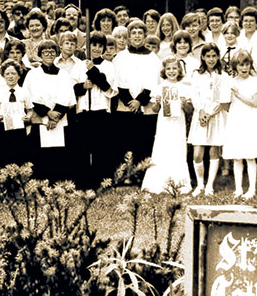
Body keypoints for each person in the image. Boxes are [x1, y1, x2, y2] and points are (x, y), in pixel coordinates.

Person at [23, 40, 76, 182]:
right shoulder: (33, 74)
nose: (49, 54)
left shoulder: (64, 75)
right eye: (45, 52)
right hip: (40, 121)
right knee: (41, 157)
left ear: (56, 54)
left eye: (52, 52)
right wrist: (47, 114)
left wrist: (55, 117)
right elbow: (29, 97)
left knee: (58, 157)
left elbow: (68, 97)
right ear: (40, 54)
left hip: (59, 121)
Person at [141, 57, 193, 194]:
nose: (171, 71)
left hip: (178, 122)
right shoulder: (160, 87)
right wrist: (157, 103)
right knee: (162, 148)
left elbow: (189, 111)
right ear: (164, 70)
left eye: (174, 68)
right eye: (168, 69)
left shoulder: (184, 88)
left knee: (177, 148)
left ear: (179, 70)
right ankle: (158, 182)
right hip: (164, 123)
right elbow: (154, 109)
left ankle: (179, 183)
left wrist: (184, 104)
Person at [113, 20, 161, 166]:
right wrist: (130, 102)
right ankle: (126, 173)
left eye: (140, 33)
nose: (137, 36)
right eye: (133, 33)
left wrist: (140, 100)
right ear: (128, 36)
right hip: (125, 105)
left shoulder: (152, 58)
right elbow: (119, 80)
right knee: (126, 140)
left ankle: (141, 171)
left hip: (145, 106)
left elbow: (153, 81)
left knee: (144, 139)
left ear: (145, 36)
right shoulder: (121, 57)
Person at [73, 32, 117, 188]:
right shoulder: (78, 65)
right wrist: (82, 87)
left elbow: (108, 87)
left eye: (100, 46)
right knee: (83, 149)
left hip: (101, 112)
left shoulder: (108, 66)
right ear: (88, 46)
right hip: (84, 111)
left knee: (101, 148)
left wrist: (93, 71)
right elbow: (71, 88)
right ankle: (84, 182)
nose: (96, 49)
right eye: (93, 45)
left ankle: (101, 181)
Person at [222, 51, 257, 199]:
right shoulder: (231, 81)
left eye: (247, 64)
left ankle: (252, 188)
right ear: (235, 66)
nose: (244, 68)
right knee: (237, 156)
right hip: (236, 118)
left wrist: (239, 95)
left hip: (250, 119)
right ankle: (238, 188)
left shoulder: (254, 81)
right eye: (241, 64)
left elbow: (255, 103)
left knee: (250, 156)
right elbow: (226, 103)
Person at [187, 43, 230, 197]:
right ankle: (200, 184)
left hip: (216, 115)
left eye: (214, 56)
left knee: (214, 151)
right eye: (208, 56)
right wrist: (201, 111)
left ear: (218, 57)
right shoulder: (197, 75)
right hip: (201, 114)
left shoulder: (223, 76)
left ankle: (210, 185)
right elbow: (194, 95)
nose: (211, 59)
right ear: (203, 57)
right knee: (198, 153)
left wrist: (210, 113)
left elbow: (224, 99)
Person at [0, 59, 31, 166]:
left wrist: (28, 117)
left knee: (20, 159)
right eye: (7, 74)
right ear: (3, 76)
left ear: (19, 75)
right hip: (4, 131)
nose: (10, 76)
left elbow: (30, 110)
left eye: (13, 73)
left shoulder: (24, 93)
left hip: (20, 131)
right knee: (5, 160)